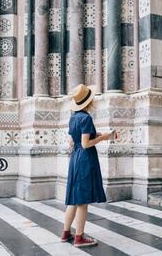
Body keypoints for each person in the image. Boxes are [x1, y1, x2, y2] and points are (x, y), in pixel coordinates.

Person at [61, 84, 112, 247]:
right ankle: (79, 237)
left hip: (75, 158)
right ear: (88, 102)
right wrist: (103, 138)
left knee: (74, 200)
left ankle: (65, 233)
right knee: (82, 201)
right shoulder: (86, 118)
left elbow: (72, 141)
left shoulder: (73, 117)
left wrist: (93, 135)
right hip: (85, 158)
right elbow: (85, 144)